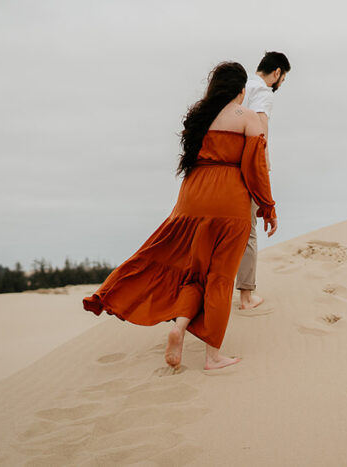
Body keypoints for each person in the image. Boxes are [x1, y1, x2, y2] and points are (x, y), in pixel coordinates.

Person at [83, 61, 278, 371]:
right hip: (229, 202)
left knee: (194, 272)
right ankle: (213, 356)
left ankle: (179, 328)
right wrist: (267, 206)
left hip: (191, 199)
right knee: (220, 277)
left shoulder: (199, 118)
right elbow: (254, 169)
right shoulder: (248, 117)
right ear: (241, 91)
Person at [236, 51, 290, 311]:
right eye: (283, 78)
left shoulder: (240, 85)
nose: (281, 85)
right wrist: (264, 166)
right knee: (248, 229)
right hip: (246, 165)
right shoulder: (264, 93)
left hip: (223, 161)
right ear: (277, 72)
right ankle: (246, 297)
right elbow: (260, 132)